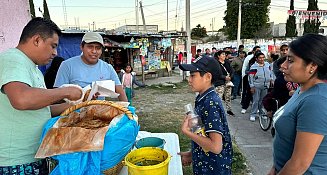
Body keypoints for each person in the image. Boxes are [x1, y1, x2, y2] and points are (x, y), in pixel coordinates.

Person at [0, 17, 82, 174]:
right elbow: (21, 99)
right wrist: (66, 91)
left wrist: (74, 106)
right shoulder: (13, 59)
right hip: (15, 164)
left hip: (35, 157)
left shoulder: (34, 69)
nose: (55, 53)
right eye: (53, 46)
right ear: (37, 40)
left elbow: (40, 109)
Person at [268, 34, 327, 175]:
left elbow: (299, 164)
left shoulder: (316, 101)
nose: (283, 65)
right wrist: (275, 168)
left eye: (290, 60)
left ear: (312, 66)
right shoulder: (301, 90)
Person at [178, 55, 232, 175]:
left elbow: (216, 146)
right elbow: (202, 133)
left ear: (208, 77)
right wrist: (192, 154)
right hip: (205, 166)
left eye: (193, 75)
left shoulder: (210, 103)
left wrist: (187, 132)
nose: (189, 80)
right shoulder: (203, 98)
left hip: (214, 169)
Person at [54, 32, 128, 102]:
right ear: (81, 47)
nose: (94, 51)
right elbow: (56, 97)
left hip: (98, 112)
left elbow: (120, 92)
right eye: (90, 47)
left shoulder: (108, 68)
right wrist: (80, 96)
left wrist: (128, 110)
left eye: (98, 48)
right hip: (73, 112)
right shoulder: (67, 66)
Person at [248, 52, 274, 122]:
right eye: (260, 58)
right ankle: (253, 114)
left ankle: (262, 113)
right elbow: (250, 77)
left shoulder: (267, 65)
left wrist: (271, 79)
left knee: (263, 101)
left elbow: (270, 73)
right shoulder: (253, 67)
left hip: (265, 85)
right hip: (256, 86)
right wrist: (252, 86)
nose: (262, 59)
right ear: (256, 59)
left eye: (263, 57)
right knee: (256, 100)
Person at [240, 46, 260, 114]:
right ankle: (244, 107)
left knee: (258, 97)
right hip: (251, 80)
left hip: (259, 81)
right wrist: (252, 72)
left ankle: (257, 108)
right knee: (248, 94)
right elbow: (246, 71)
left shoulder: (265, 64)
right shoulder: (251, 61)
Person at [214, 50, 235, 116]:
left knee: (228, 96)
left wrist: (230, 77)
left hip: (228, 82)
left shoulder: (227, 62)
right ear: (218, 56)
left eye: (225, 54)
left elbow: (232, 70)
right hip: (220, 82)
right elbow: (216, 73)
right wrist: (224, 77)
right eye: (222, 54)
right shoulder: (216, 63)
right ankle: (217, 111)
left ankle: (229, 110)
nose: (224, 56)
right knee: (219, 97)